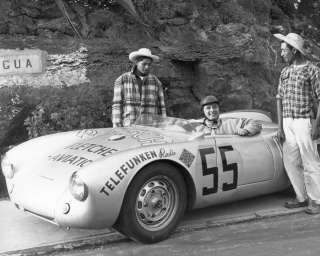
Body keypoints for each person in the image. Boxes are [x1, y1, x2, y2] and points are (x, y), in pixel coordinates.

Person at [274, 32, 320, 214]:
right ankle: (301, 197)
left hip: (304, 121)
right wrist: (280, 126)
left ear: (294, 50)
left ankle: (316, 201)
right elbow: (279, 98)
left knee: (310, 161)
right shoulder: (285, 72)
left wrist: (316, 126)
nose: (282, 53)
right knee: (291, 160)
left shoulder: (312, 70)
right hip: (288, 121)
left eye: (284, 50)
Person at [112, 48, 166, 127]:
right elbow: (117, 105)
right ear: (136, 62)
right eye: (144, 64)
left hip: (150, 127)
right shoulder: (122, 80)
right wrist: (116, 127)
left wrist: (163, 125)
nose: (147, 67)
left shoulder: (156, 82)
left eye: (149, 64)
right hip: (129, 126)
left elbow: (161, 106)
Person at [194, 95, 262, 136]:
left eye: (215, 107)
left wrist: (246, 130)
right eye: (208, 108)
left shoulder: (231, 123)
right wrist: (185, 160)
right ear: (203, 111)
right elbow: (189, 146)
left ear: (218, 108)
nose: (212, 110)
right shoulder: (197, 128)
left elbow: (256, 123)